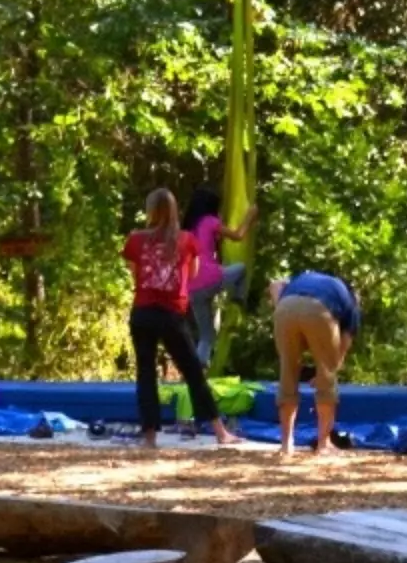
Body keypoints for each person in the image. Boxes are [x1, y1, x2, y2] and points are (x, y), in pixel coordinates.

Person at [124, 189, 237, 449]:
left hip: (142, 312)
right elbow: (193, 273)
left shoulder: (135, 240)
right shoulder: (186, 240)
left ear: (150, 210)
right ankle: (220, 431)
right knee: (193, 372)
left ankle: (150, 437)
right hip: (172, 314)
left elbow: (135, 274)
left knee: (145, 374)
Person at [268, 270, 360, 461]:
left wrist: (282, 309)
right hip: (320, 310)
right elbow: (344, 345)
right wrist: (327, 371)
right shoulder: (350, 302)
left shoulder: (306, 277)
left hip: (285, 308)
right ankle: (324, 444)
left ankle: (286, 445)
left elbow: (275, 285)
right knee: (327, 376)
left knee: (287, 373)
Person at [184, 188, 259, 370]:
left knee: (207, 336)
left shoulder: (186, 229)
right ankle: (238, 300)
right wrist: (250, 215)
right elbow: (238, 235)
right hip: (210, 277)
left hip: (192, 289)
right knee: (241, 269)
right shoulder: (210, 221)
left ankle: (197, 369)